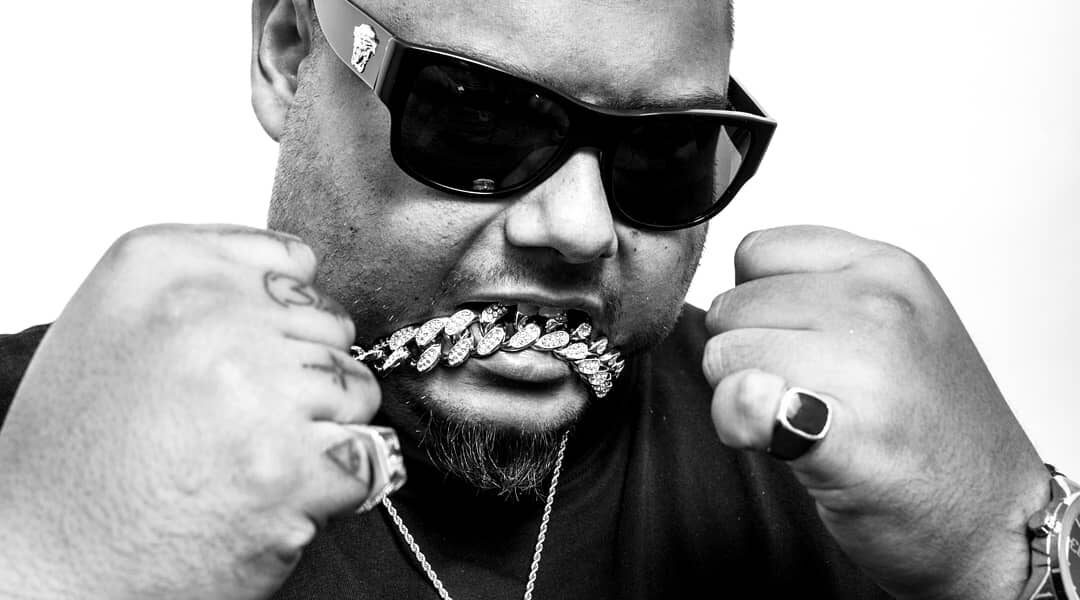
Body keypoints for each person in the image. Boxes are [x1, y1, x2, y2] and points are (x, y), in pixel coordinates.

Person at [0, 0, 1065, 598]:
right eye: (476, 117)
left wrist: (1014, 543)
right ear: (289, 54)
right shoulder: (33, 453)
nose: (580, 227)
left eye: (665, 153)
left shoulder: (832, 475)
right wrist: (42, 566)